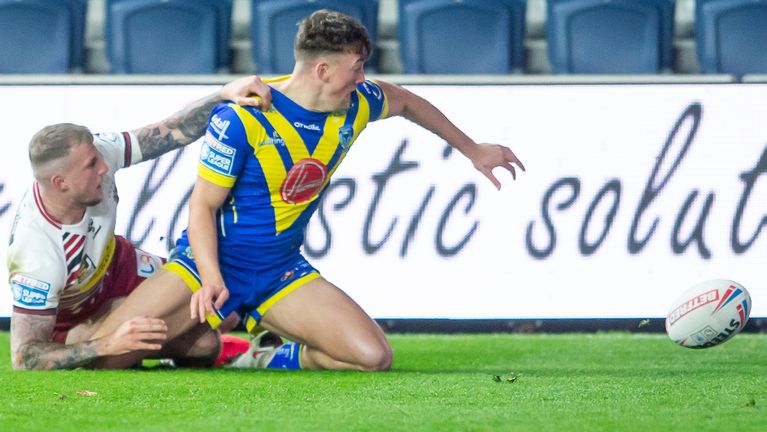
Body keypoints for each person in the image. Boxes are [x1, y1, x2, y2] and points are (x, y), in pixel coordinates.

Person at [91, 10, 525, 371]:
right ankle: (164, 329)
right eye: (355, 68)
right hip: (208, 265)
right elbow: (203, 206)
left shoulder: (357, 103)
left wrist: (472, 149)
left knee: (372, 358)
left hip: (277, 269)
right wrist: (210, 277)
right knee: (106, 357)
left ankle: (262, 355)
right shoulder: (245, 118)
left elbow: (408, 102)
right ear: (322, 70)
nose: (362, 79)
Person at [7, 76, 273, 370]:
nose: (105, 167)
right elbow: (24, 357)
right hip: (76, 317)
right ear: (61, 183)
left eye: (98, 157)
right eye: (92, 165)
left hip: (118, 264)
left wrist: (224, 95)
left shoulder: (98, 152)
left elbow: (169, 131)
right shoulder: (35, 254)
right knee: (205, 345)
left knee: (223, 306)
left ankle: (273, 339)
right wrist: (105, 344)